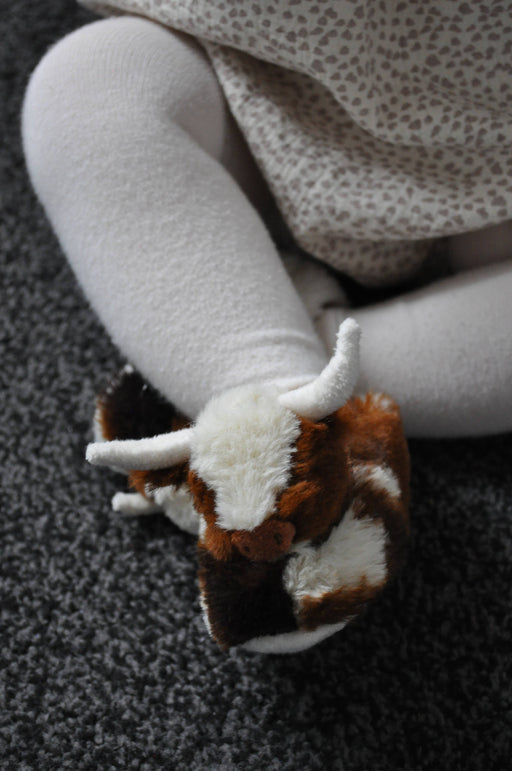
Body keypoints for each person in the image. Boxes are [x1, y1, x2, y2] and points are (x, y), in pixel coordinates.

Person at [22, 3, 512, 437]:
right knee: (89, 82)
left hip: (492, 177)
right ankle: (279, 405)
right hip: (258, 94)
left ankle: (273, 395)